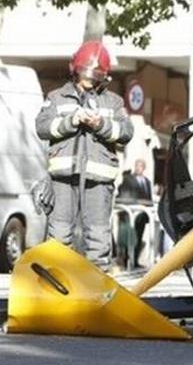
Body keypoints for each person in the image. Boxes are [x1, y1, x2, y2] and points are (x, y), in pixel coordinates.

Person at [35, 41, 134, 269]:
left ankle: (97, 290)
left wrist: (100, 124)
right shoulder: (57, 97)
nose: (88, 79)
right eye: (85, 73)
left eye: (95, 75)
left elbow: (126, 132)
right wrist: (71, 121)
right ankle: (57, 286)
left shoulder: (113, 102)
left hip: (98, 180)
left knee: (98, 237)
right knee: (59, 235)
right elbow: (41, 127)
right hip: (62, 177)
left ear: (104, 76)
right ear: (74, 69)